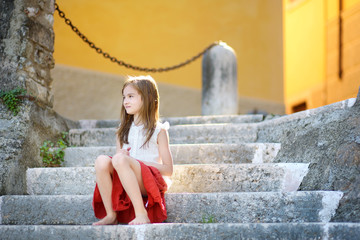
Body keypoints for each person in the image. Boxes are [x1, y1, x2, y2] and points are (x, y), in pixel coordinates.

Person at [92, 75, 173, 225]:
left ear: (147, 98)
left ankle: (141, 213)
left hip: (149, 182)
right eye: (124, 97)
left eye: (131, 96)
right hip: (126, 180)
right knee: (102, 161)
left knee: (121, 159)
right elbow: (118, 162)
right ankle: (111, 214)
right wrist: (121, 156)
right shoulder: (122, 132)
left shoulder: (159, 130)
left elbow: (168, 170)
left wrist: (137, 162)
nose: (125, 101)